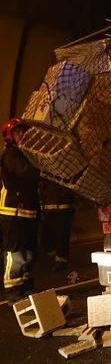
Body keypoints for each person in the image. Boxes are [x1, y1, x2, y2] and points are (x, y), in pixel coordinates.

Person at [0, 118, 40, 302]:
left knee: (29, 252)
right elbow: (27, 172)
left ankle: (25, 285)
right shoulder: (11, 155)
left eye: (23, 131)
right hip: (13, 214)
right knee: (16, 253)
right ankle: (13, 290)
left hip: (28, 213)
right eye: (18, 132)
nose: (22, 135)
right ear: (10, 136)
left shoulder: (25, 154)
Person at [39, 178, 75, 271]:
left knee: (61, 236)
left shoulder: (66, 171)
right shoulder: (46, 171)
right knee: (46, 236)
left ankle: (61, 261)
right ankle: (55, 255)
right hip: (48, 207)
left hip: (63, 207)